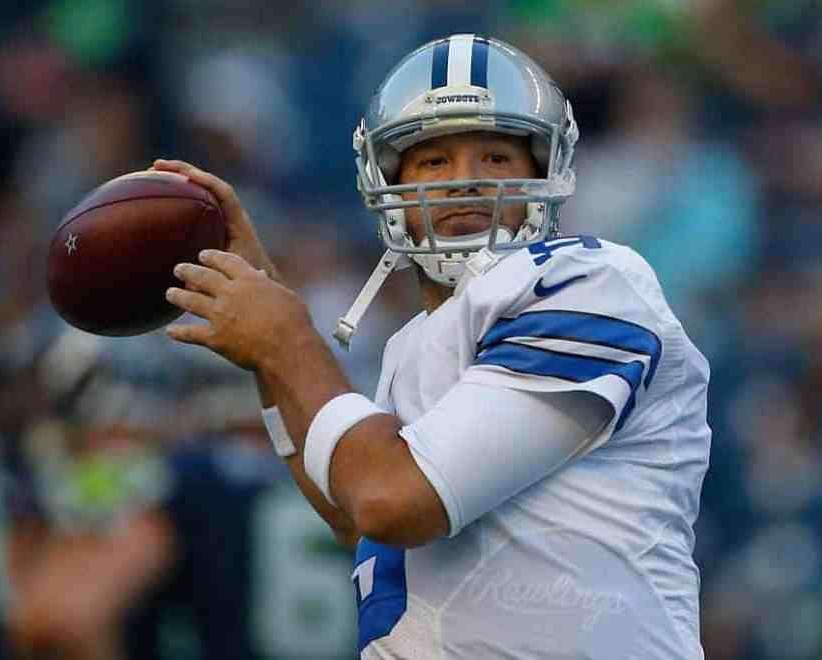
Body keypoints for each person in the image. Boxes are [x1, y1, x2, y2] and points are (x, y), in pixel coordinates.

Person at [156, 33, 711, 659]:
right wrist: (267, 341)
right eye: (434, 161)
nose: (464, 182)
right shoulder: (413, 344)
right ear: (385, 179)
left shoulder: (586, 283)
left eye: (496, 157)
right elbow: (352, 511)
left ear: (545, 170)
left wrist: (286, 339)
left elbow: (390, 500)